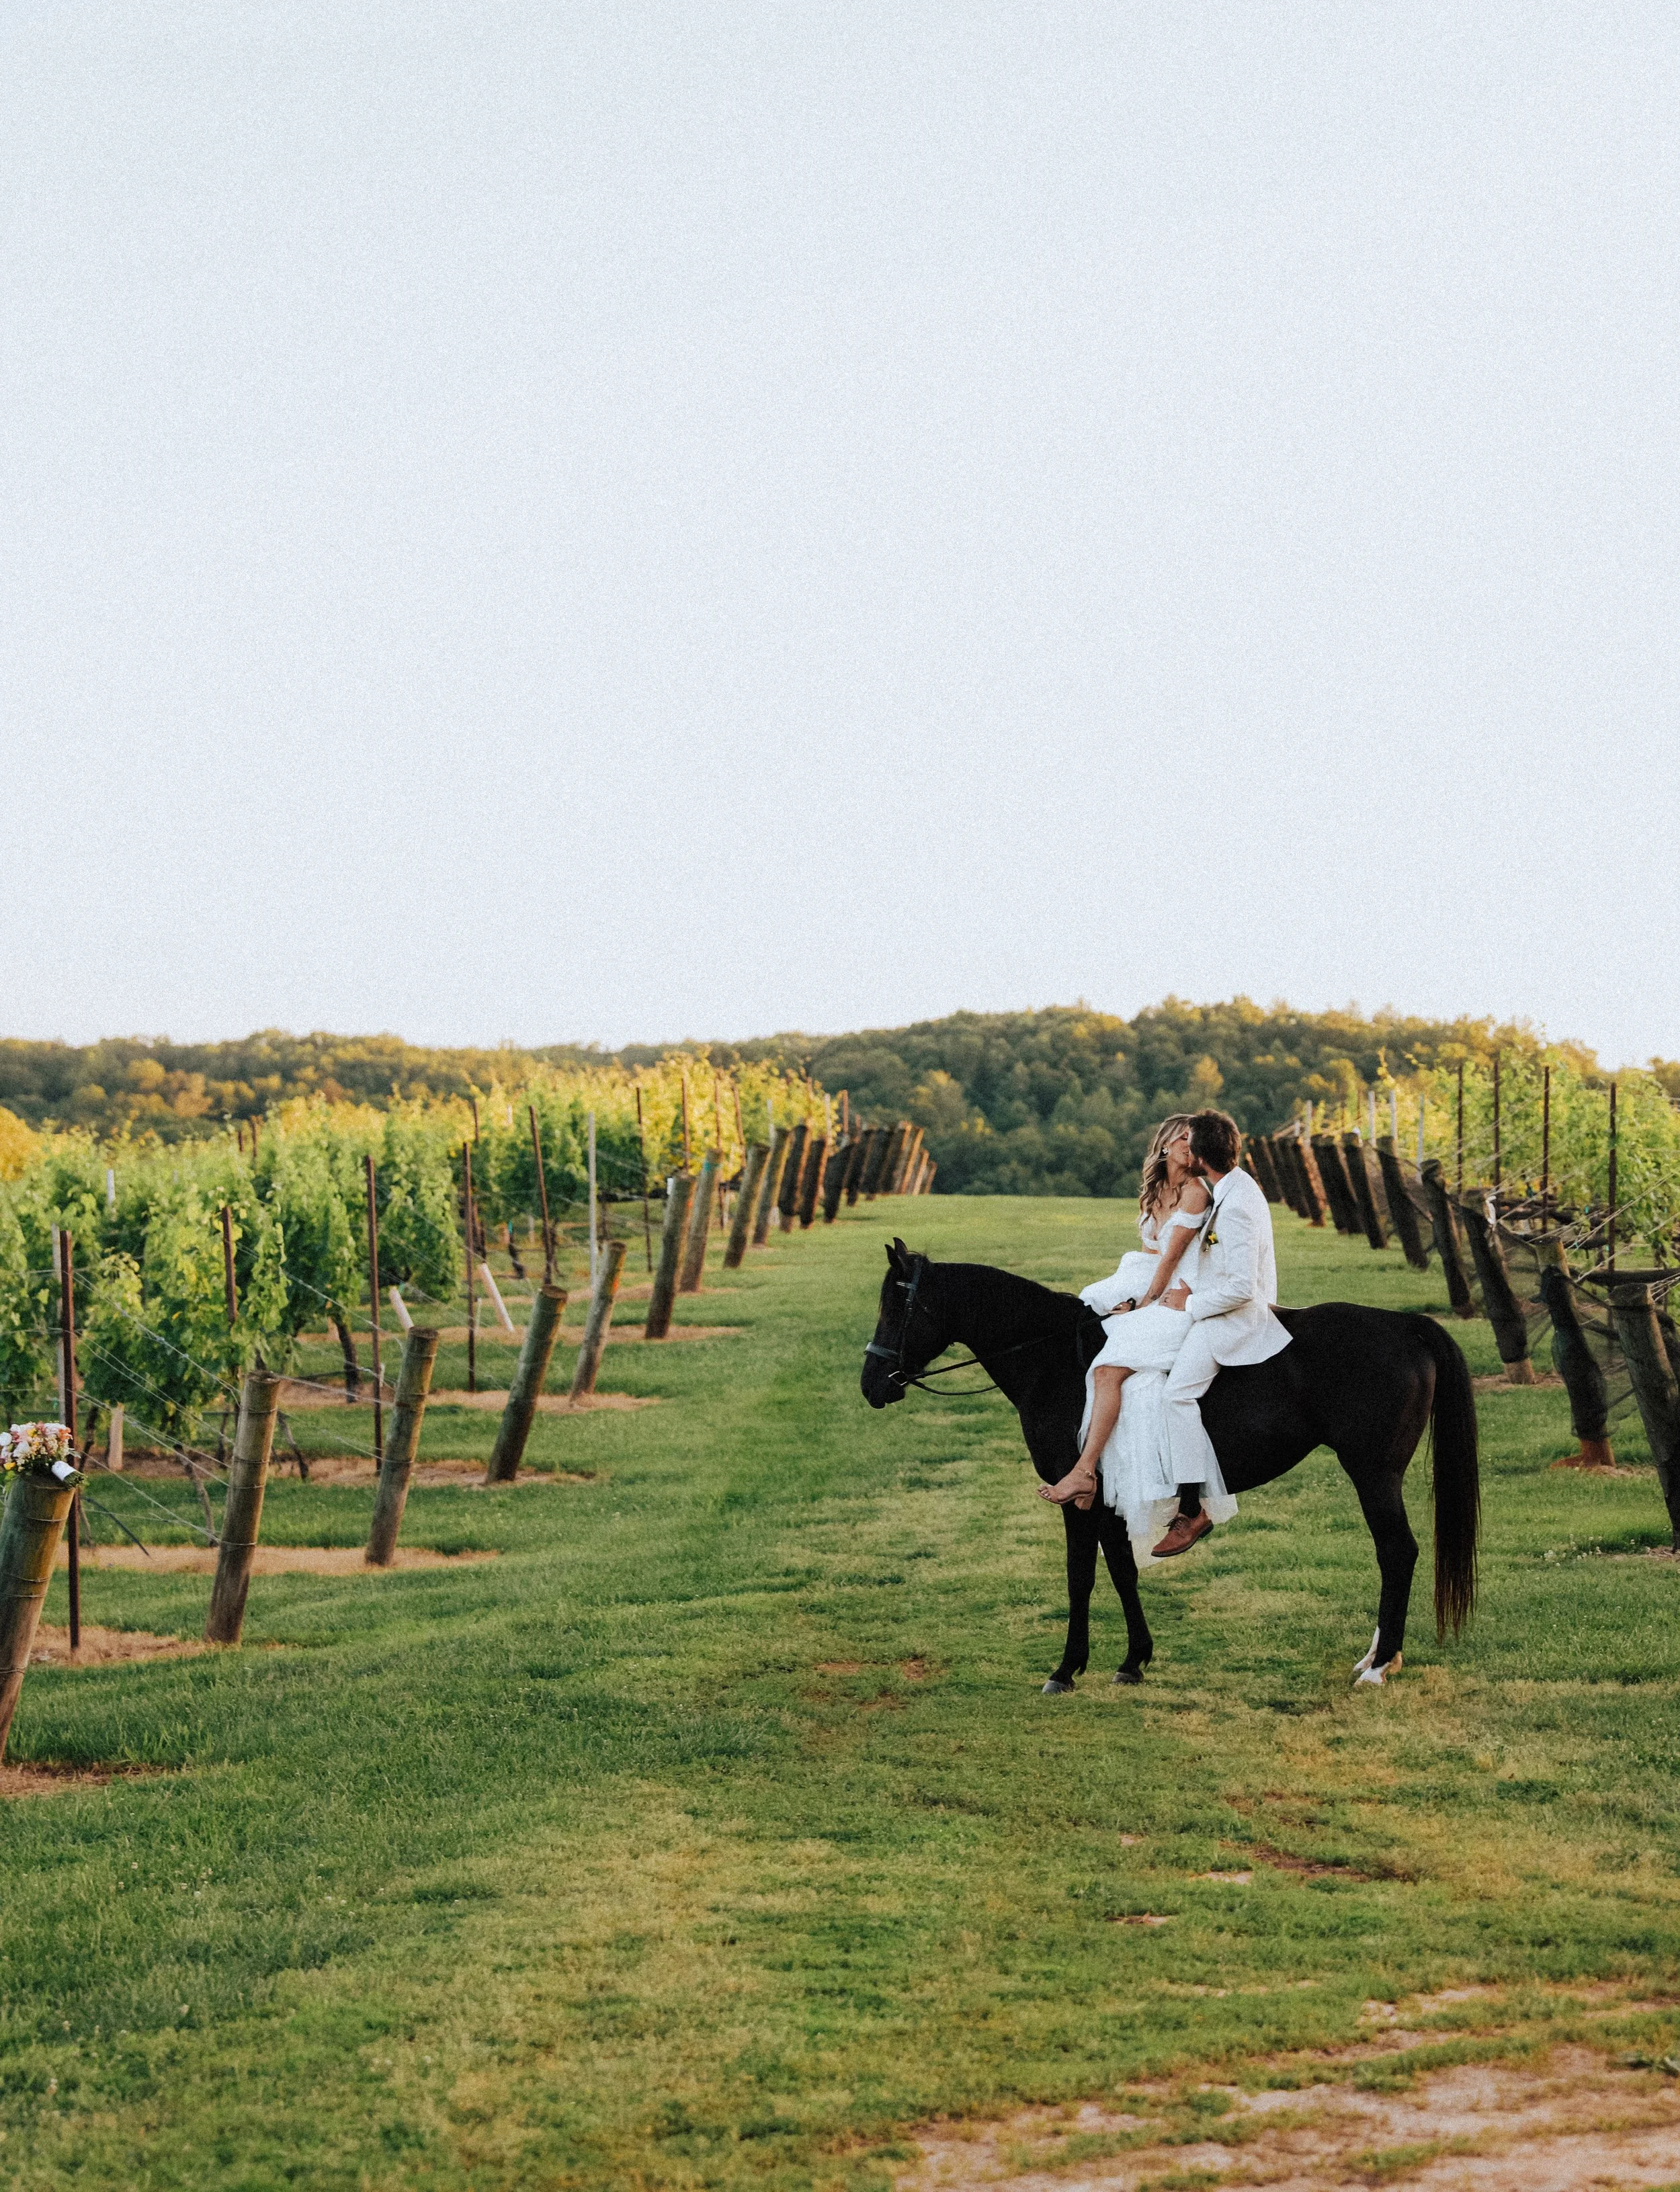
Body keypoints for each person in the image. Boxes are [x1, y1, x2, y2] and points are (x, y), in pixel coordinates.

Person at [1038, 1117, 1214, 1540]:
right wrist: (1126, 1298)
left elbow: (1172, 1261)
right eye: (1184, 1138)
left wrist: (1141, 1304)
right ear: (1166, 1145)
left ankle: (1084, 1473)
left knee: (1107, 1371)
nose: (1191, 1145)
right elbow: (1150, 1255)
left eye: (1196, 1139)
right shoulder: (1155, 1193)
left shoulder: (1196, 1193)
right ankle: (1093, 1467)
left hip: (1180, 1298)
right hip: (1152, 1283)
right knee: (1087, 1322)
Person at [1152, 1108, 1292, 1558]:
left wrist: (1189, 1304)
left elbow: (1242, 1288)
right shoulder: (1231, 1189)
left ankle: (1195, 1507)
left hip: (1239, 1317)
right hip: (1214, 1302)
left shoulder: (1237, 1203)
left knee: (1176, 1395)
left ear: (1198, 1155)